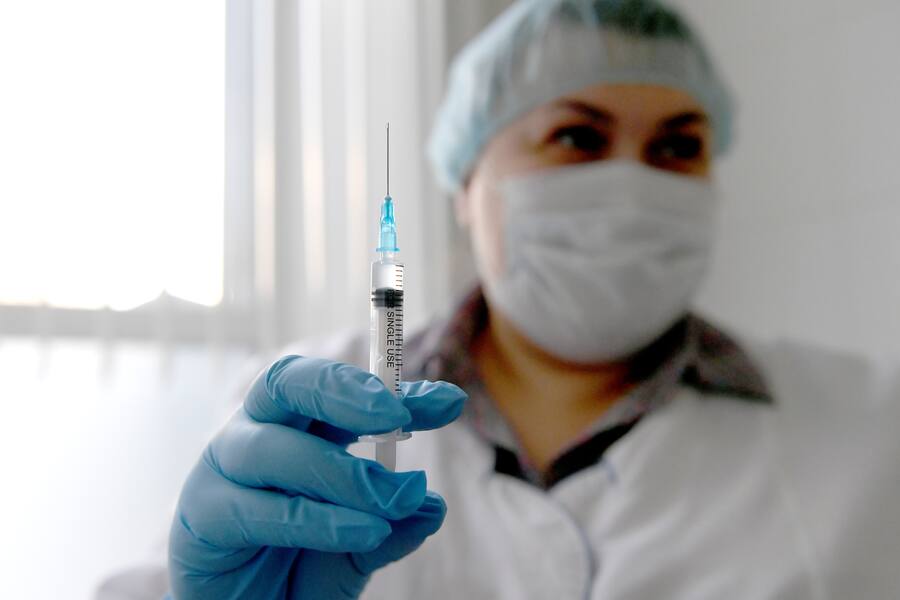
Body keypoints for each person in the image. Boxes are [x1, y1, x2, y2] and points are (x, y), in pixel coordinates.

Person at [97, 0, 900, 598]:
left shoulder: (867, 425)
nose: (631, 185)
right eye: (578, 137)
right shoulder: (314, 412)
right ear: (465, 182)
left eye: (678, 146)